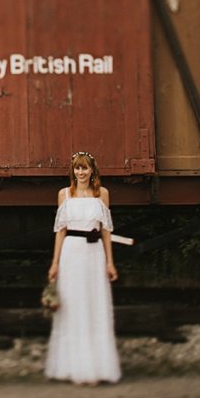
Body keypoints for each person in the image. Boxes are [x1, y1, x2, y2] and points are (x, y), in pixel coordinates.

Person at [45, 151, 121, 385]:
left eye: (85, 168)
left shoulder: (102, 194)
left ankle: (97, 367)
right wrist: (55, 263)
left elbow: (106, 230)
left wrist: (110, 261)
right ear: (73, 171)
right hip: (72, 252)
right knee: (73, 305)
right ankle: (74, 367)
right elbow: (60, 231)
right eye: (77, 168)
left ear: (92, 171)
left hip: (94, 252)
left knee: (94, 303)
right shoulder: (64, 194)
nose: (81, 172)